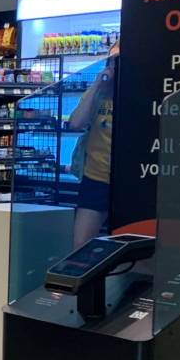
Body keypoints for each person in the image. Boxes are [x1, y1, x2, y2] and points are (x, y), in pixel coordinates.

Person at [67, 41, 117, 249]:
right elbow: (76, 123)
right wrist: (97, 85)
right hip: (96, 177)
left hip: (128, 181)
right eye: (112, 61)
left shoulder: (139, 94)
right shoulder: (97, 93)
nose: (115, 66)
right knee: (80, 245)